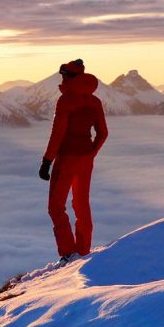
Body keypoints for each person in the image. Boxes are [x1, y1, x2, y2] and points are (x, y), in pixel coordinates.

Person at [39, 59, 108, 264]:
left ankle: (68, 253)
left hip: (67, 158)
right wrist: (90, 153)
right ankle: (83, 250)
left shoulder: (66, 100)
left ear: (70, 77)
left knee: (56, 206)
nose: (61, 78)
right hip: (86, 159)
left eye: (64, 75)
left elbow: (57, 134)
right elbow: (103, 133)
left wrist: (46, 161)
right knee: (81, 203)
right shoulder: (95, 101)